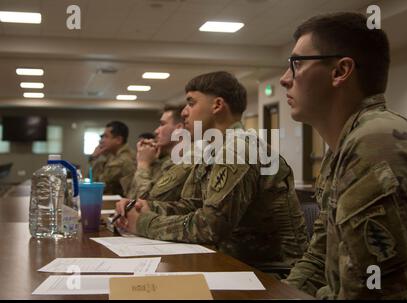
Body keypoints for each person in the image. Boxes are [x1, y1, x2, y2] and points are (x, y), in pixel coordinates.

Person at [279, 12, 407, 299]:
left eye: (296, 64)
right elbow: (319, 259)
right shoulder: (345, 148)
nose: (285, 79)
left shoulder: (376, 142)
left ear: (340, 71)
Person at [115, 71, 308, 270]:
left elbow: (209, 226)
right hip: (236, 263)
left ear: (217, 105)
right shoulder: (212, 150)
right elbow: (192, 205)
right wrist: (144, 207)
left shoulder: (238, 149)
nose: (184, 112)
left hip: (272, 273)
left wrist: (143, 223)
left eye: (191, 103)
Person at [123, 105, 191, 201]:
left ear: (179, 129)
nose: (156, 131)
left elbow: (145, 202)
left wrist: (143, 164)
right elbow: (131, 196)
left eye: (162, 124)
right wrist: (151, 162)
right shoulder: (164, 160)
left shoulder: (184, 162)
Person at [89, 121, 135, 196]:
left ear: (118, 140)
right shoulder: (112, 155)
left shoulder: (123, 160)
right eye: (102, 137)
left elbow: (99, 185)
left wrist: (96, 158)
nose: (101, 140)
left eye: (106, 136)